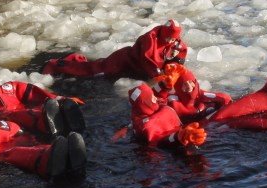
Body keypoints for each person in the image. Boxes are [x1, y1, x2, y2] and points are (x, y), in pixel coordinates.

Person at [42, 20, 188, 81]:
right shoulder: (150, 39)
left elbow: (180, 53)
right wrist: (160, 77)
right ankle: (57, 65)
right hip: (122, 61)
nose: (171, 41)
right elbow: (148, 61)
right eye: (168, 38)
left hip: (134, 67)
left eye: (173, 39)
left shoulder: (174, 41)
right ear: (163, 33)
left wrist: (174, 66)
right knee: (93, 71)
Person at [126, 83, 207, 150]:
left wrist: (164, 85)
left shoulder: (143, 108)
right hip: (173, 145)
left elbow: (159, 96)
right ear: (145, 104)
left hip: (182, 130)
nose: (155, 98)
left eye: (153, 95)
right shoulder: (147, 127)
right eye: (152, 98)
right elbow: (159, 142)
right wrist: (179, 137)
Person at [160, 67, 233, 121]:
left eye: (191, 82)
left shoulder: (205, 97)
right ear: (178, 87)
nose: (189, 86)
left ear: (195, 82)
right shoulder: (172, 101)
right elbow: (158, 101)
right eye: (185, 84)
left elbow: (227, 99)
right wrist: (164, 85)